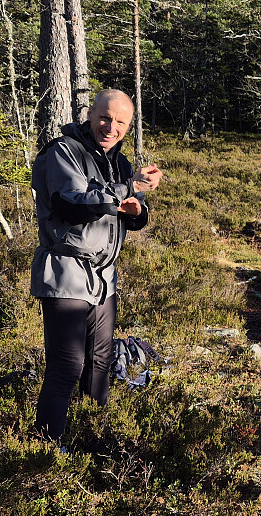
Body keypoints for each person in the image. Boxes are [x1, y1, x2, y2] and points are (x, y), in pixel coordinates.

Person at [30, 89, 163, 442]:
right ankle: (44, 452)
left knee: (100, 364)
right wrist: (127, 188)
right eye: (105, 117)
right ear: (90, 115)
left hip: (104, 278)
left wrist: (138, 209)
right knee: (67, 367)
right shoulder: (64, 151)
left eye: (121, 122)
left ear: (129, 126)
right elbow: (70, 205)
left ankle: (91, 439)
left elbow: (128, 216)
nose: (111, 127)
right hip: (65, 272)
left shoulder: (119, 163)